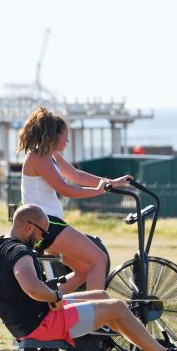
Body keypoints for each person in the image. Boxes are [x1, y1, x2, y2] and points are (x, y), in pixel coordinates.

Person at [0, 204, 177, 351]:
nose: (43, 238)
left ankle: (154, 348)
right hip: (41, 325)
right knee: (117, 308)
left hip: (31, 320)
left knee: (102, 297)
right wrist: (54, 296)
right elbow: (32, 288)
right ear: (30, 227)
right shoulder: (20, 252)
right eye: (43, 232)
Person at [17, 107, 130, 293]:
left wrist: (111, 183)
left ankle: (51, 300)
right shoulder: (38, 158)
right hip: (46, 226)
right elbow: (65, 189)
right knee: (99, 259)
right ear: (54, 136)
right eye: (65, 136)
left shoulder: (51, 155)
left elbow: (75, 175)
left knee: (85, 269)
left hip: (48, 225)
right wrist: (97, 191)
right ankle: (97, 313)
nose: (68, 140)